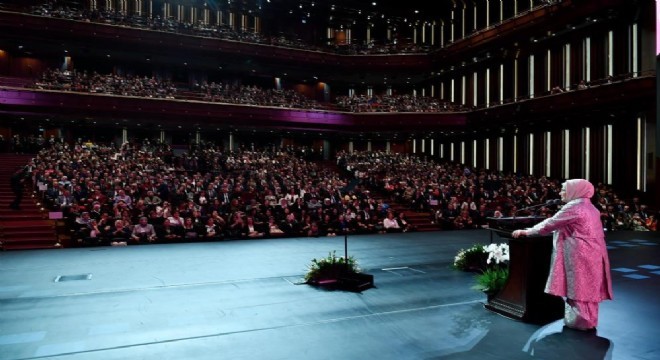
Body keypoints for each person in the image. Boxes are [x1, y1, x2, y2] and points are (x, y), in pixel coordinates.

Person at [512, 179, 613, 331]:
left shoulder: (574, 206)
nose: (560, 192)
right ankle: (588, 320)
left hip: (580, 253)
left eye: (563, 189)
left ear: (575, 191)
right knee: (588, 287)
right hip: (593, 252)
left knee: (578, 287)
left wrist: (527, 231)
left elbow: (551, 223)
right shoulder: (591, 207)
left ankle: (580, 321)